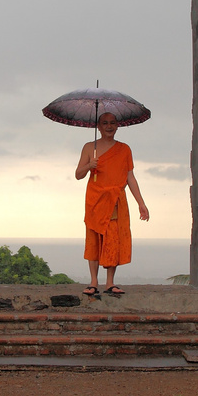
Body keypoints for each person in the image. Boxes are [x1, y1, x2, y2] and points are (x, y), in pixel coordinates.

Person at [75, 111, 149, 296]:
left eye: (113, 123)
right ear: (98, 127)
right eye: (105, 123)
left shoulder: (124, 149)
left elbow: (130, 177)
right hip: (95, 200)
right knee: (94, 240)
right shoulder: (89, 148)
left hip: (115, 199)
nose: (109, 126)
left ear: (117, 126)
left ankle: (110, 282)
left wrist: (141, 203)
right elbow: (78, 174)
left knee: (112, 240)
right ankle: (93, 282)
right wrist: (89, 166)